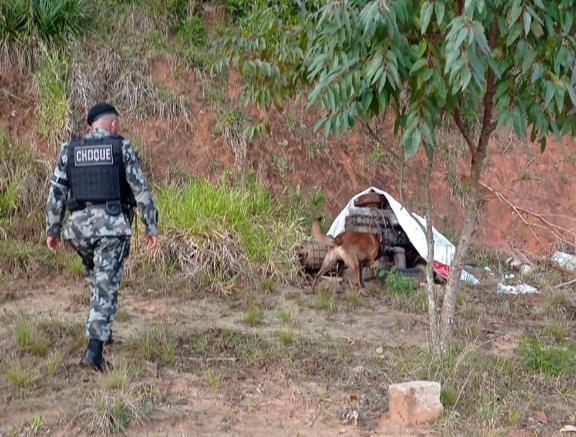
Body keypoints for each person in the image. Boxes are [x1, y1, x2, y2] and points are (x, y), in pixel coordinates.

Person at [45, 102, 159, 372]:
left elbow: (56, 194)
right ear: (114, 125)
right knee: (106, 284)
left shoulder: (69, 149)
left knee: (98, 277)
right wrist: (151, 226)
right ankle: (94, 351)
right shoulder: (122, 147)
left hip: (78, 231)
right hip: (111, 229)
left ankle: (103, 330)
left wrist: (52, 229)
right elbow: (141, 191)